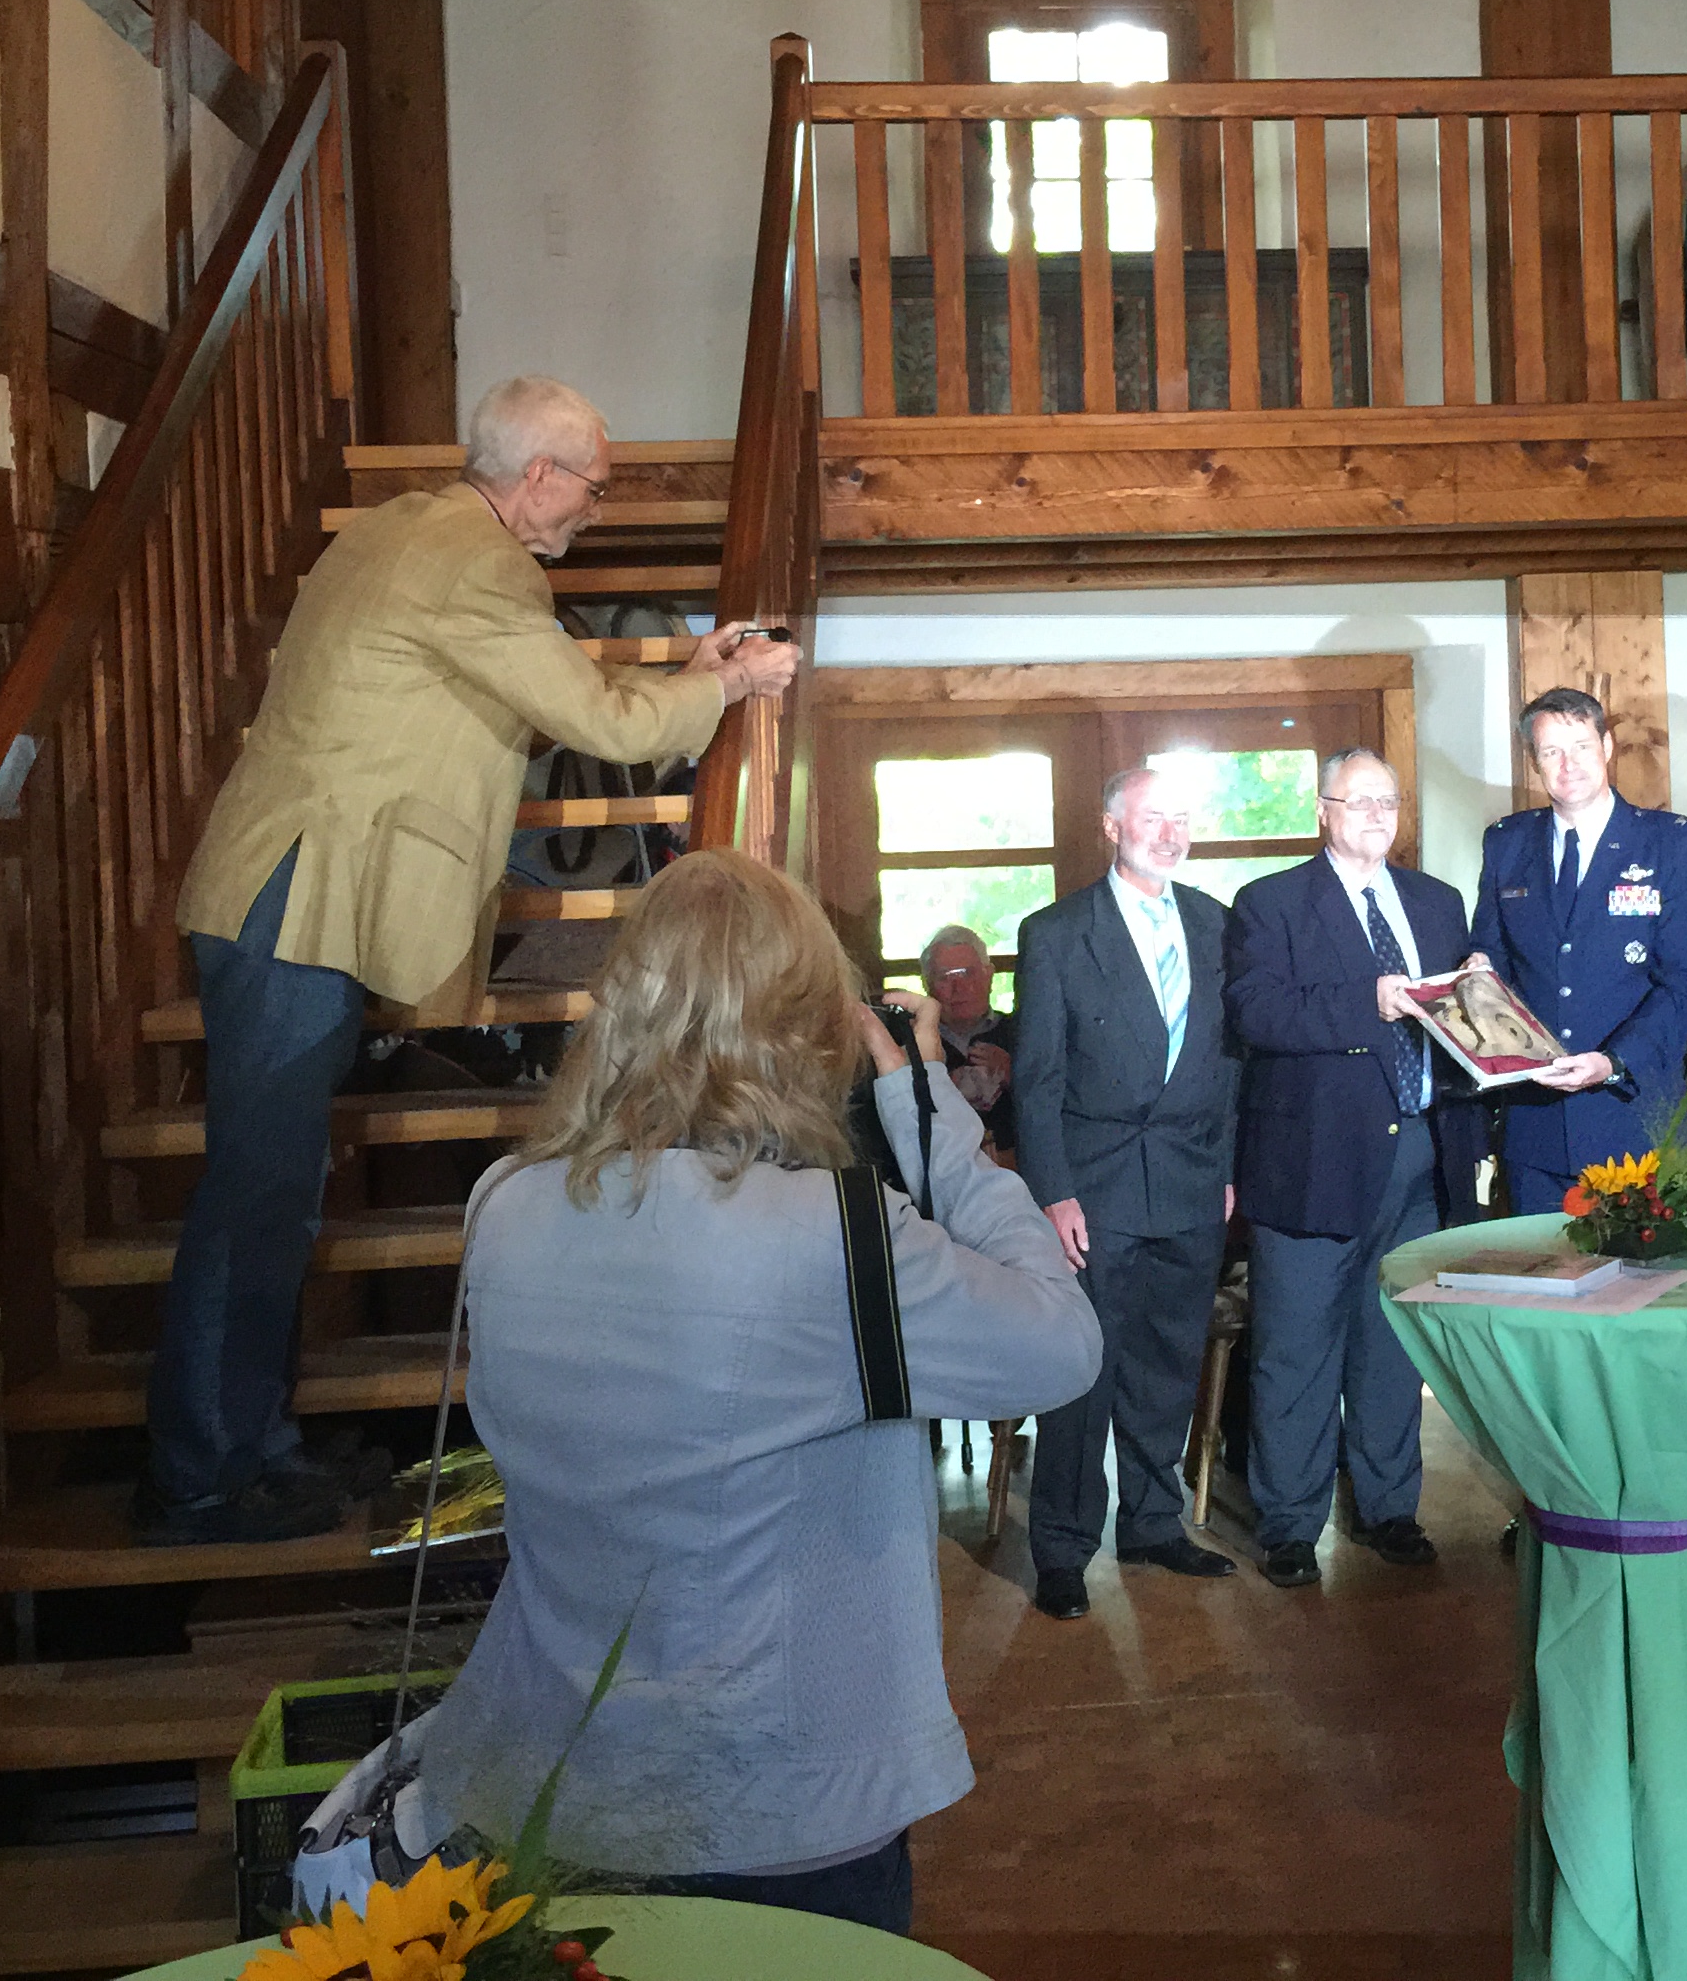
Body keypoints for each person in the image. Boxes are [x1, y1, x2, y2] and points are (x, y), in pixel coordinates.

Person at [154, 375, 799, 1545]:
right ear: (539, 475)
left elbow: (561, 688)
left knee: (275, 1192)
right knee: (258, 1197)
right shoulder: (479, 562)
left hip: (289, 889)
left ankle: (254, 1449)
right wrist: (730, 682)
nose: (595, 509)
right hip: (298, 897)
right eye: (593, 487)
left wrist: (690, 670)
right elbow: (603, 725)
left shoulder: (409, 529)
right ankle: (204, 1477)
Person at [415, 851, 1099, 1934]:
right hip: (774, 1806)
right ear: (807, 1028)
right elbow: (1061, 1343)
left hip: (543, 1779)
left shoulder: (503, 1205)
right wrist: (927, 1107)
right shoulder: (835, 1236)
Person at [1224, 748, 1481, 1587]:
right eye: (1356, 801)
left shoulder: (1437, 903)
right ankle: (1291, 1525)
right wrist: (1366, 1002)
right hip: (1311, 1162)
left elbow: (1460, 1023)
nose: (1375, 815)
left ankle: (1389, 1508)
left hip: (1421, 1157)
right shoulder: (1269, 903)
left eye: (1386, 801)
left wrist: (1478, 987)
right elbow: (1258, 1012)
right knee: (1296, 1352)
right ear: (1322, 811)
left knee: (1392, 1347)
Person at [1009, 769, 1242, 1618]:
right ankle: (1063, 1550)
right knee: (1085, 1369)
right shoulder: (1056, 933)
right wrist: (1054, 1192)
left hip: (1191, 1183)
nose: (1170, 834)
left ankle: (1152, 1523)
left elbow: (1231, 1065)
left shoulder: (1217, 924)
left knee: (1168, 1364)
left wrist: (1225, 1169)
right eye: (1152, 818)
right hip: (1095, 1188)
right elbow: (1036, 1079)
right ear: (1111, 826)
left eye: (1182, 819)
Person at [1470, 688, 1687, 1212]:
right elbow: (1491, 959)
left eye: (1581, 746)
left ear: (1606, 746)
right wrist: (1477, 975)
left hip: (1634, 1118)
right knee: (1539, 1265)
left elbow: (1684, 983)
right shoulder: (1507, 842)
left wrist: (1613, 1062)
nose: (1569, 764)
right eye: (1551, 751)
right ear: (1534, 762)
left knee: (1644, 1266)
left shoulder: (1673, 844)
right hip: (1534, 1125)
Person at [919, 923, 1017, 1154]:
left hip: (1015, 1167)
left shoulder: (1021, 1033)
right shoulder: (911, 1043)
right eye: (945, 977)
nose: (959, 987)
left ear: (989, 976)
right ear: (927, 984)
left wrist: (1014, 1075)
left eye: (968, 973)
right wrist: (938, 1089)